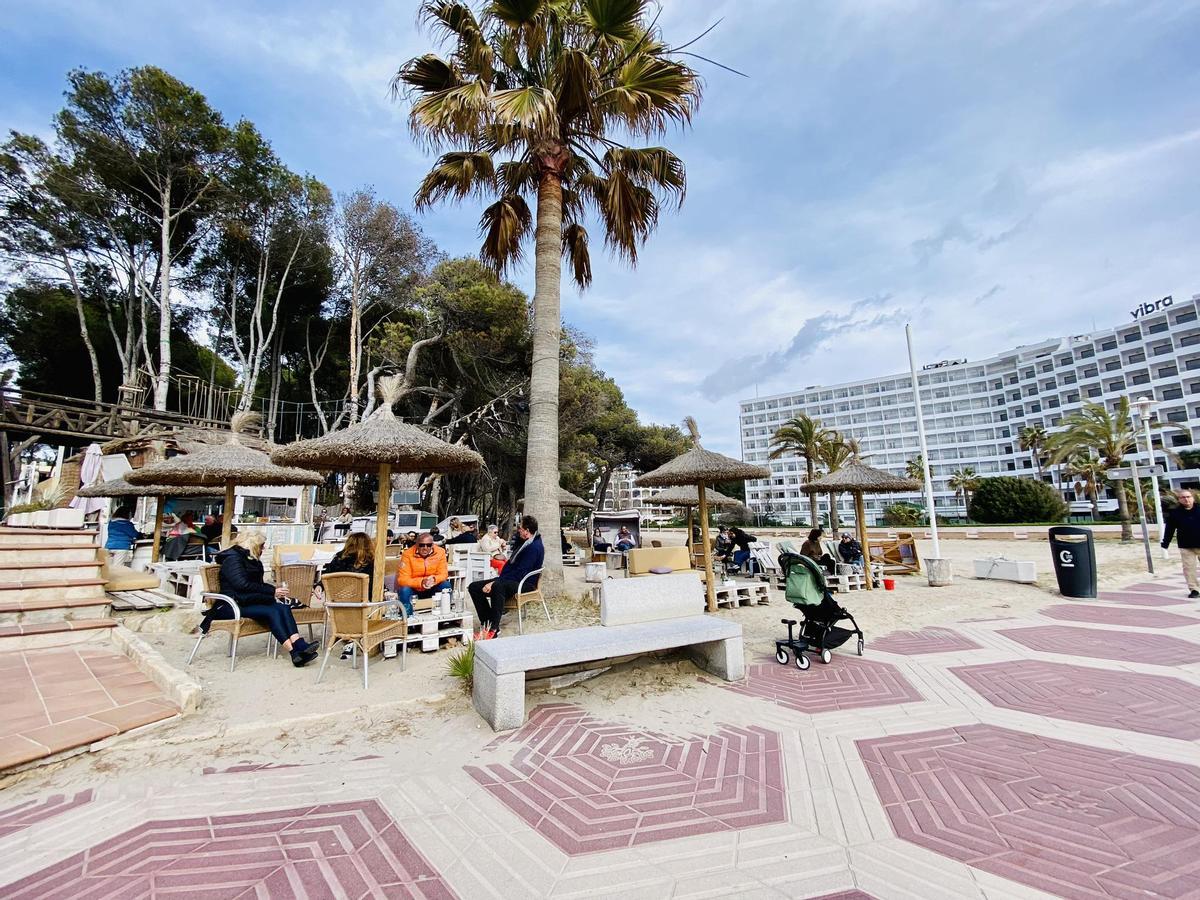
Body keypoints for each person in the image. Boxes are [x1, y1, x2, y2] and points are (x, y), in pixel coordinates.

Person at [210, 532, 319, 667]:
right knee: (272, 611)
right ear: (253, 545)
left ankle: (298, 645)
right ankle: (294, 651)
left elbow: (256, 584)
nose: (263, 548)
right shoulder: (233, 559)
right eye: (261, 545)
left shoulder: (248, 559)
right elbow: (241, 585)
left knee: (283, 607)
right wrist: (272, 591)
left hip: (246, 601)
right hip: (230, 605)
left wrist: (273, 590)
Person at [468, 515, 544, 638]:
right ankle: (488, 623)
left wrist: (495, 582)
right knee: (474, 587)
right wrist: (497, 580)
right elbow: (513, 567)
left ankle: (493, 629)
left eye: (520, 528)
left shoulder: (533, 547)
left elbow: (520, 573)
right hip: (512, 578)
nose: (518, 530)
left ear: (527, 531)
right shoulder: (525, 542)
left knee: (498, 586)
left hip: (525, 583)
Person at [395, 532, 451, 617]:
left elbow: (444, 574)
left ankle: (446, 614)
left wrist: (434, 580)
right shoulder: (407, 554)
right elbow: (402, 580)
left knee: (446, 585)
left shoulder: (440, 552)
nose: (425, 548)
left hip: (432, 586)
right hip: (415, 588)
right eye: (422, 545)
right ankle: (407, 618)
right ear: (416, 544)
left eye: (428, 545)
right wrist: (421, 582)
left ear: (432, 545)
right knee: (404, 590)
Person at [1163, 489, 1200, 598]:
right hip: (1186, 545)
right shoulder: (1175, 513)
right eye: (1183, 497)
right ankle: (1194, 589)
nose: (1186, 499)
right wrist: (1166, 542)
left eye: (1188, 497)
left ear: (1193, 498)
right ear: (1179, 500)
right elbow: (1169, 529)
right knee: (1189, 568)